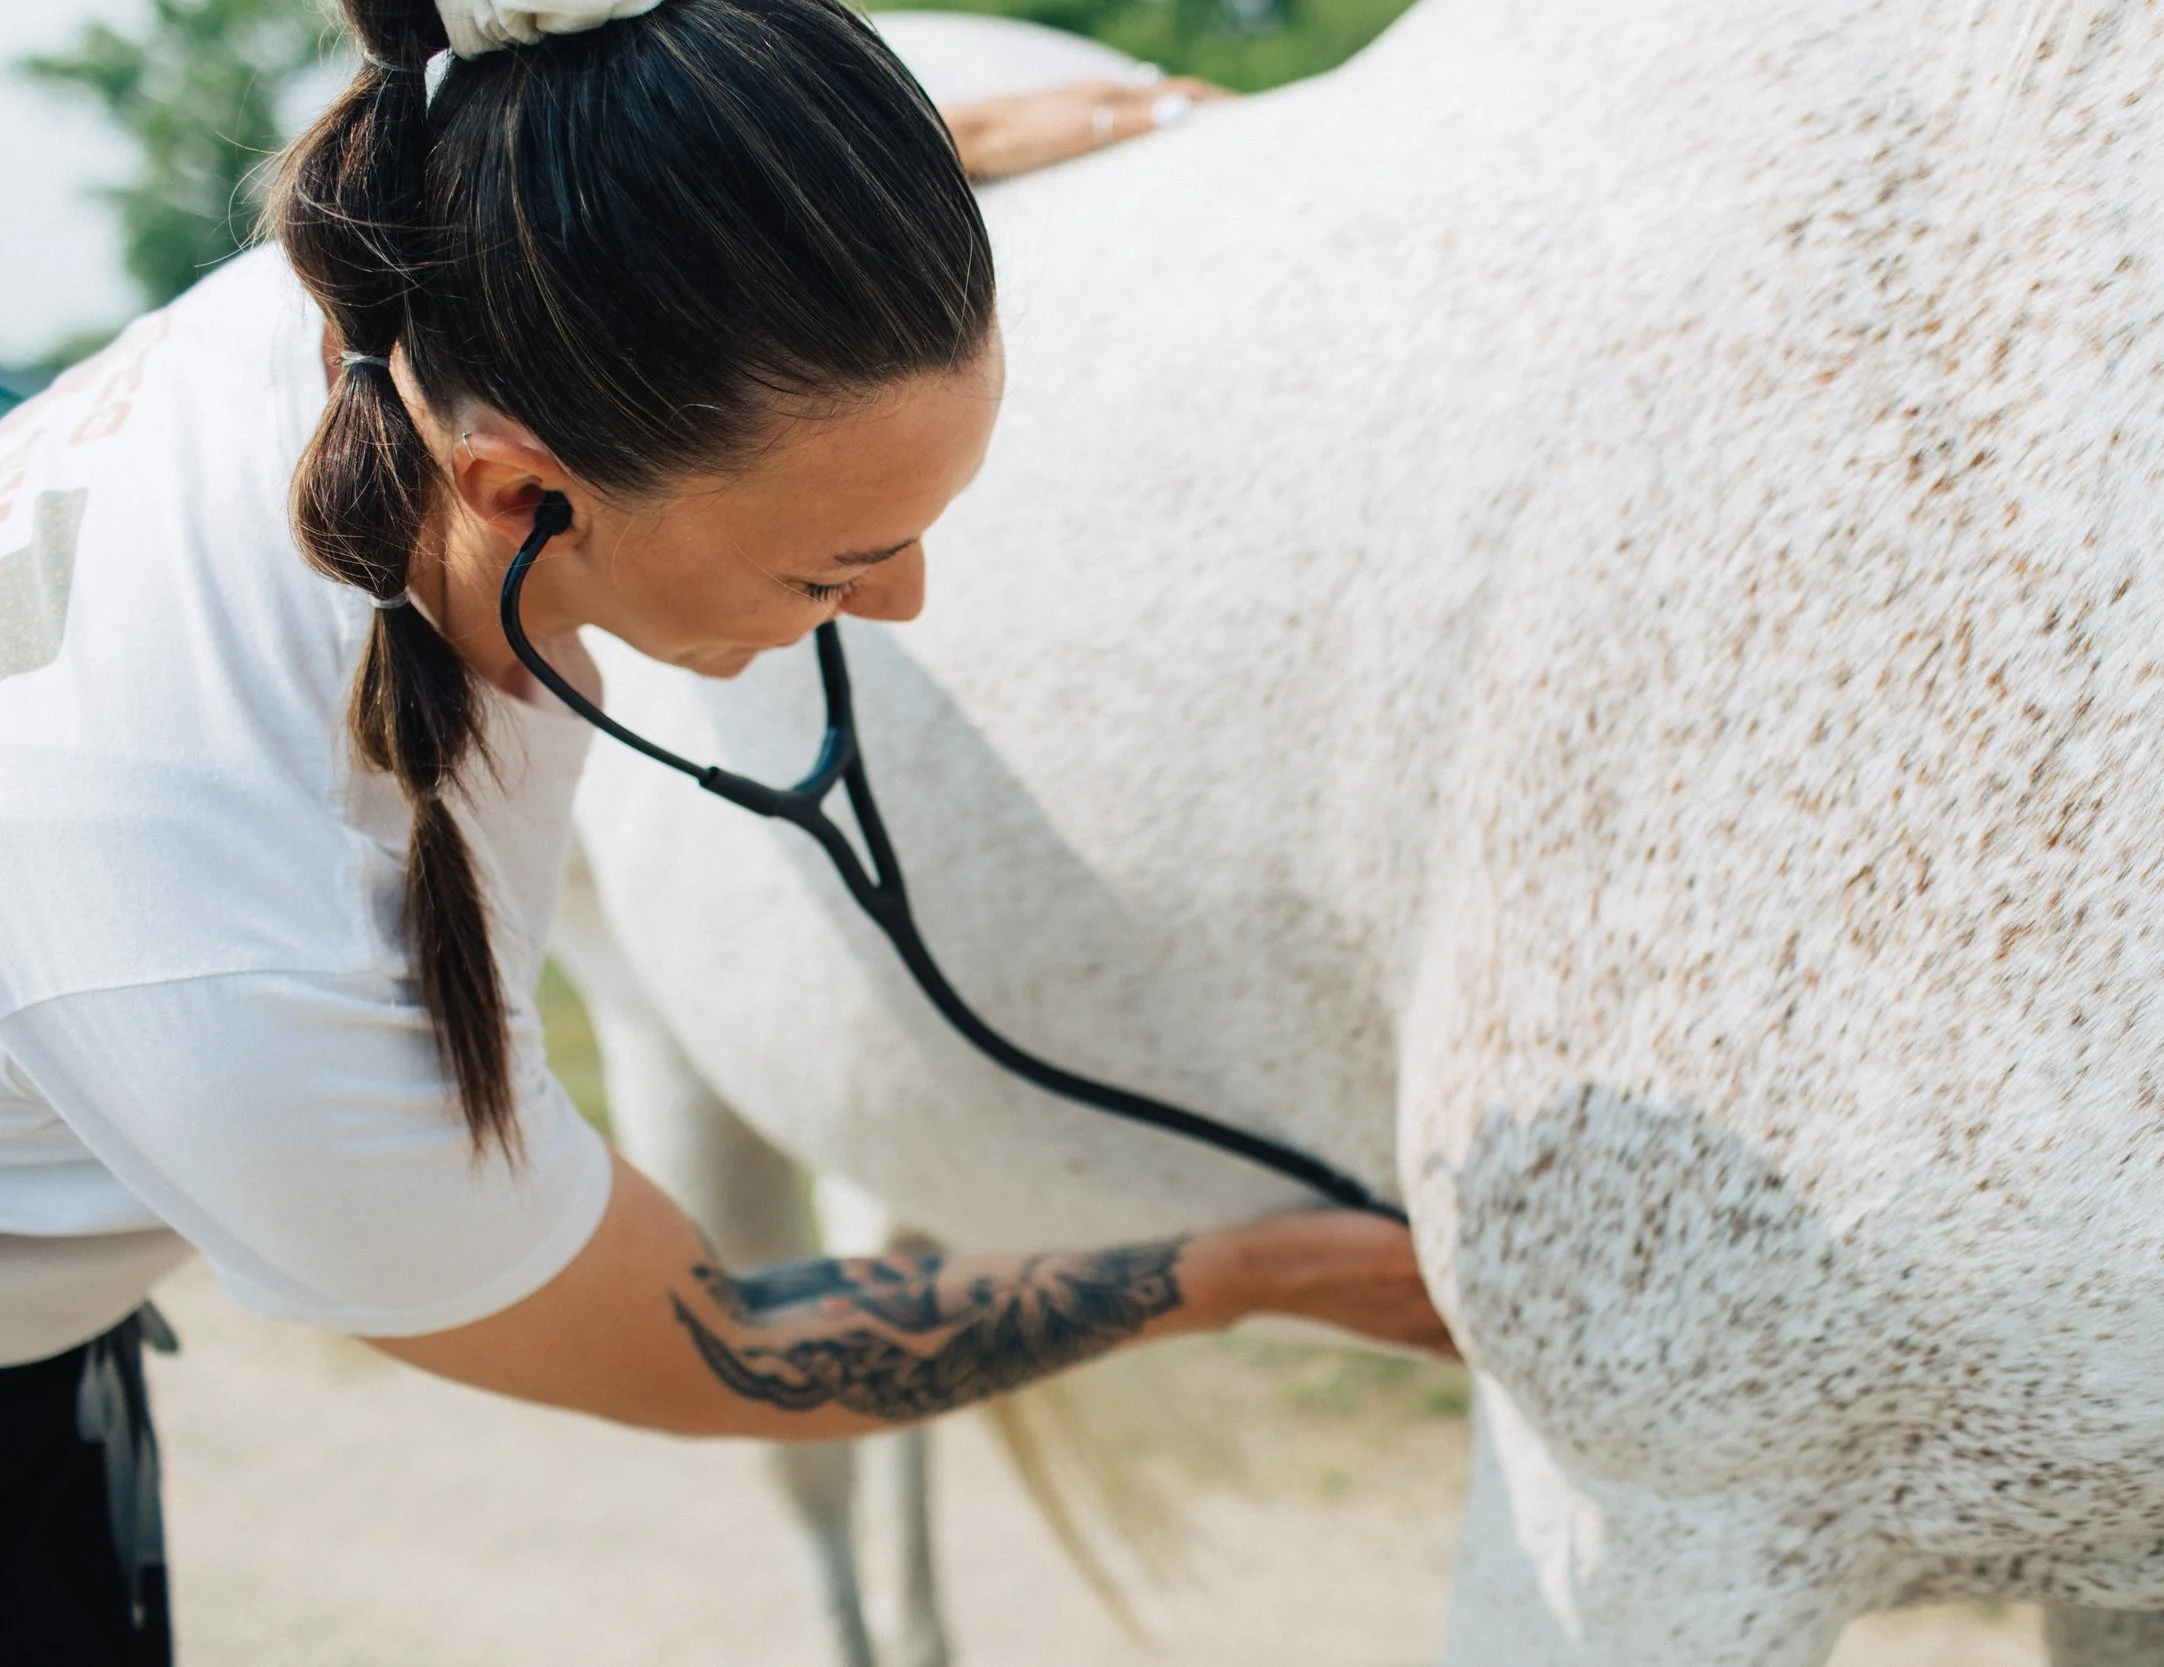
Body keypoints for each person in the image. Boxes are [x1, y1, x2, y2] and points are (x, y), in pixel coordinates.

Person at [0, 2, 1450, 1661]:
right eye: (832, 564)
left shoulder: (401, 292)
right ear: (520, 493)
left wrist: (935, 172)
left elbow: (597, 243)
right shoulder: (239, 942)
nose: (903, 601)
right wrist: (1248, 1274)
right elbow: (722, 1344)